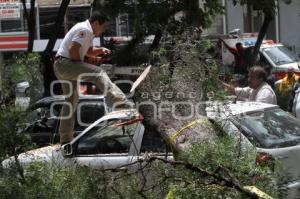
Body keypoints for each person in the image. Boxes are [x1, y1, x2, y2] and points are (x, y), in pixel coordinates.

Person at [54, 11, 132, 144]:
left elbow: (88, 51)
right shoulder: (84, 29)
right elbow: (73, 50)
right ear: (96, 23)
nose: (104, 30)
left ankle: (65, 139)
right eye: (104, 26)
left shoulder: (87, 31)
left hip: (60, 65)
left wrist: (100, 50)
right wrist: (82, 65)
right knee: (99, 73)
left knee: (71, 100)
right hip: (66, 64)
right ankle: (122, 105)